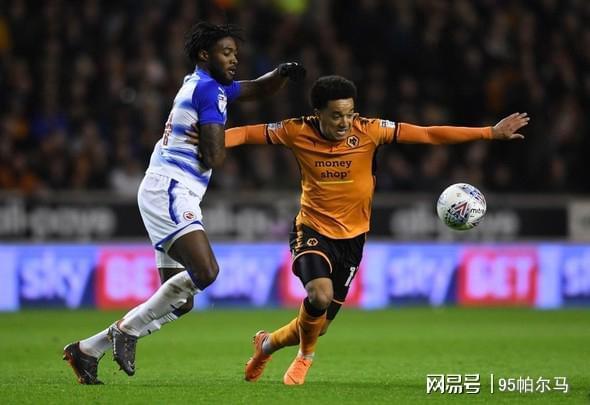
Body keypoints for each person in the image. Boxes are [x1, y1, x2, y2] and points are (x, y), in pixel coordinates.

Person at [187, 75, 529, 385]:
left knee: (318, 325)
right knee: (319, 296)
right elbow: (248, 133)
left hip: (353, 239)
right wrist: (210, 139)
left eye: (350, 114)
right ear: (318, 113)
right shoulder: (295, 130)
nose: (345, 122)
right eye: (336, 115)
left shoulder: (370, 130)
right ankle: (305, 358)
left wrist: (489, 132)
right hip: (312, 229)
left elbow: (427, 134)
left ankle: (265, 345)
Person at [62, 21, 305, 385]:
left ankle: (87, 350)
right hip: (171, 189)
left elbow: (255, 88)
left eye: (236, 54)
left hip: (167, 188)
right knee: (205, 272)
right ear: (205, 55)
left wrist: (281, 74)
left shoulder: (207, 84)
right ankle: (127, 330)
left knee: (181, 299)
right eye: (227, 53)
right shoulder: (207, 90)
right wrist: (223, 138)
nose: (234, 59)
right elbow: (213, 156)